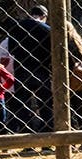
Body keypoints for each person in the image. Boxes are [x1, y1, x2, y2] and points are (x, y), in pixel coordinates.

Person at [7, 5, 52, 135]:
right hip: (42, 69)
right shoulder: (47, 29)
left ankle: (26, 136)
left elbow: (11, 50)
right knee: (46, 104)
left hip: (21, 69)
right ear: (44, 16)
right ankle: (47, 136)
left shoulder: (17, 27)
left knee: (22, 105)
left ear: (30, 14)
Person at [66, 23, 82, 138]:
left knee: (68, 109)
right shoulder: (79, 42)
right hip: (79, 78)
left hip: (68, 77)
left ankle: (71, 136)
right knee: (79, 107)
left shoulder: (65, 44)